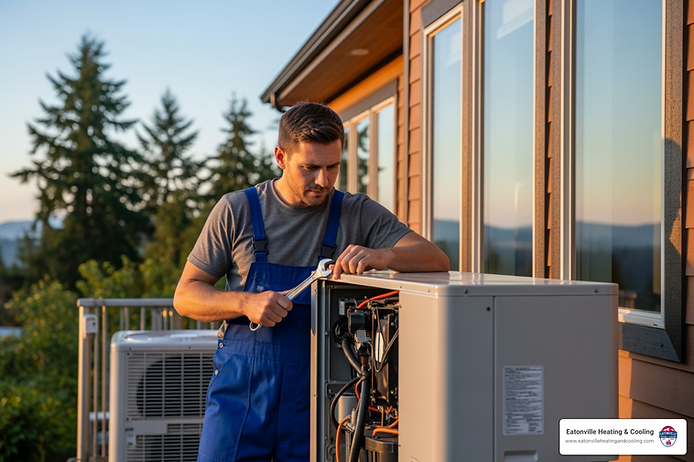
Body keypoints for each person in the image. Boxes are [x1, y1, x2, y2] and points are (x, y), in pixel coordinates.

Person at [173, 102, 449, 462]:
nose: (323, 180)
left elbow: (435, 258)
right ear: (280, 157)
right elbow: (186, 296)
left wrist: (383, 256)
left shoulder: (357, 212)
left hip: (319, 398)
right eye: (310, 167)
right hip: (241, 394)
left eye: (333, 166)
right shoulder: (236, 210)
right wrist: (244, 302)